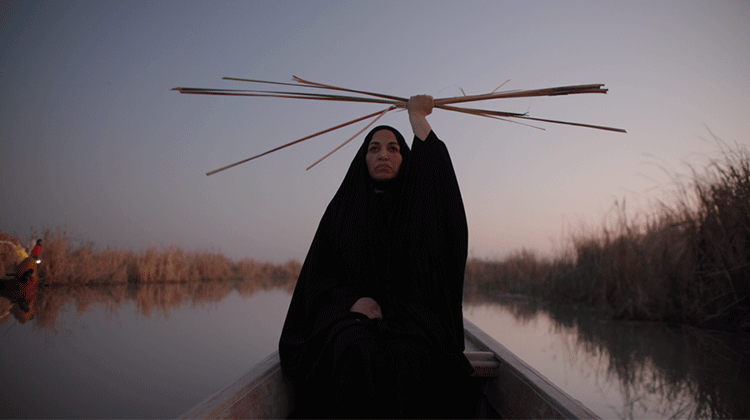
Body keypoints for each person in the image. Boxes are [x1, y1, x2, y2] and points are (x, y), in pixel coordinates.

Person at [279, 95, 477, 418]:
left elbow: (443, 197)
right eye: (374, 148)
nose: (383, 154)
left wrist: (417, 120)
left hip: (412, 319)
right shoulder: (342, 211)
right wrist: (349, 303)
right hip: (352, 319)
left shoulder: (418, 210)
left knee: (411, 354)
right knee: (353, 348)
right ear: (363, 158)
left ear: (405, 158)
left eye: (393, 148)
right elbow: (317, 278)